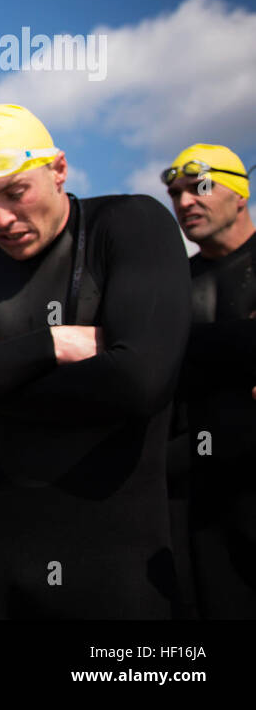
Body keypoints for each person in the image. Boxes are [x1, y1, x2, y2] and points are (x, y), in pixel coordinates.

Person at [0, 105, 189, 619]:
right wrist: (51, 346)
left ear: (58, 169)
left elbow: (140, 381)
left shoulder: (129, 224)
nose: (1, 219)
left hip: (120, 568)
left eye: (16, 193)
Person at [162, 143, 256, 618]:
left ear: (241, 195)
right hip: (196, 495)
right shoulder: (174, 283)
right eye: (175, 193)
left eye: (199, 188)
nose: (184, 202)